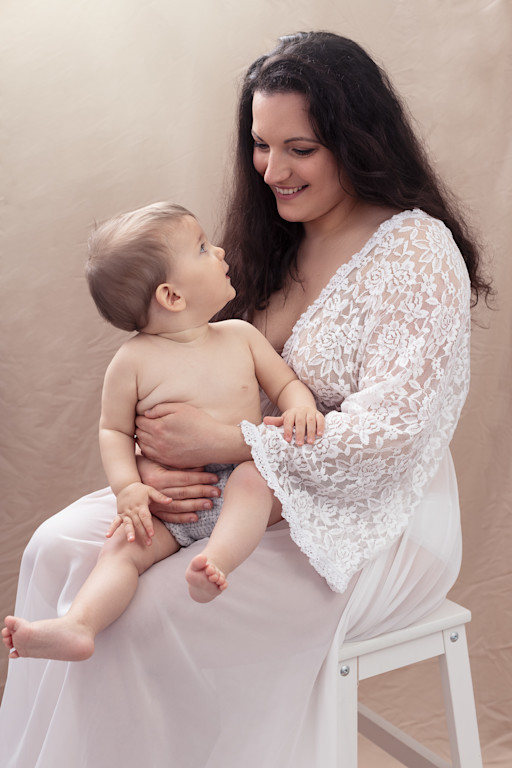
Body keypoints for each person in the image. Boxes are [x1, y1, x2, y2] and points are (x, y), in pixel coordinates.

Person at [0, 31, 491, 768]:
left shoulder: (417, 253)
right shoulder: (272, 237)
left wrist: (227, 443)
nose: (272, 170)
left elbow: (396, 433)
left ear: (355, 140)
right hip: (245, 490)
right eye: (262, 145)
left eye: (300, 148)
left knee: (150, 615)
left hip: (378, 514)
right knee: (55, 548)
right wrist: (154, 472)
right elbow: (189, 371)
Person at [2, 201, 325, 660]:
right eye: (201, 248)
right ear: (172, 296)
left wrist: (300, 408)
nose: (219, 251)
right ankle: (80, 624)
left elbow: (286, 383)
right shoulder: (132, 362)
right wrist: (128, 487)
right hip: (171, 504)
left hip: (238, 478)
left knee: (257, 479)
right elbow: (113, 431)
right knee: (123, 546)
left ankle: (216, 561)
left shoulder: (240, 336)